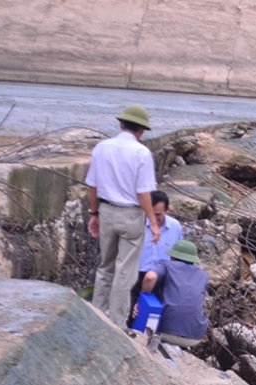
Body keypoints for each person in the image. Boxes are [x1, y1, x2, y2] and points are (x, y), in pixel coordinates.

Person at [85, 105, 161, 329]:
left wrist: (94, 213)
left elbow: (92, 185)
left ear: (121, 125)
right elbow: (143, 192)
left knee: (105, 266)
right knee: (125, 271)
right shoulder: (141, 153)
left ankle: (97, 315)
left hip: (106, 211)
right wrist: (154, 223)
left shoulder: (102, 147)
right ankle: (116, 323)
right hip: (130, 214)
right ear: (142, 131)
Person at [127, 190, 183, 328]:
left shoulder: (175, 226)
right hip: (137, 275)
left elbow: (177, 256)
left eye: (158, 215)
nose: (154, 218)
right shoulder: (137, 224)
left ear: (167, 210)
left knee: (156, 319)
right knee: (132, 316)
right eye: (150, 213)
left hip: (162, 277)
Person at [141, 239, 209, 348]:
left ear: (173, 256)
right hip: (195, 337)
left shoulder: (166, 266)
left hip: (165, 332)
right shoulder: (203, 275)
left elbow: (150, 277)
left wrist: (142, 298)